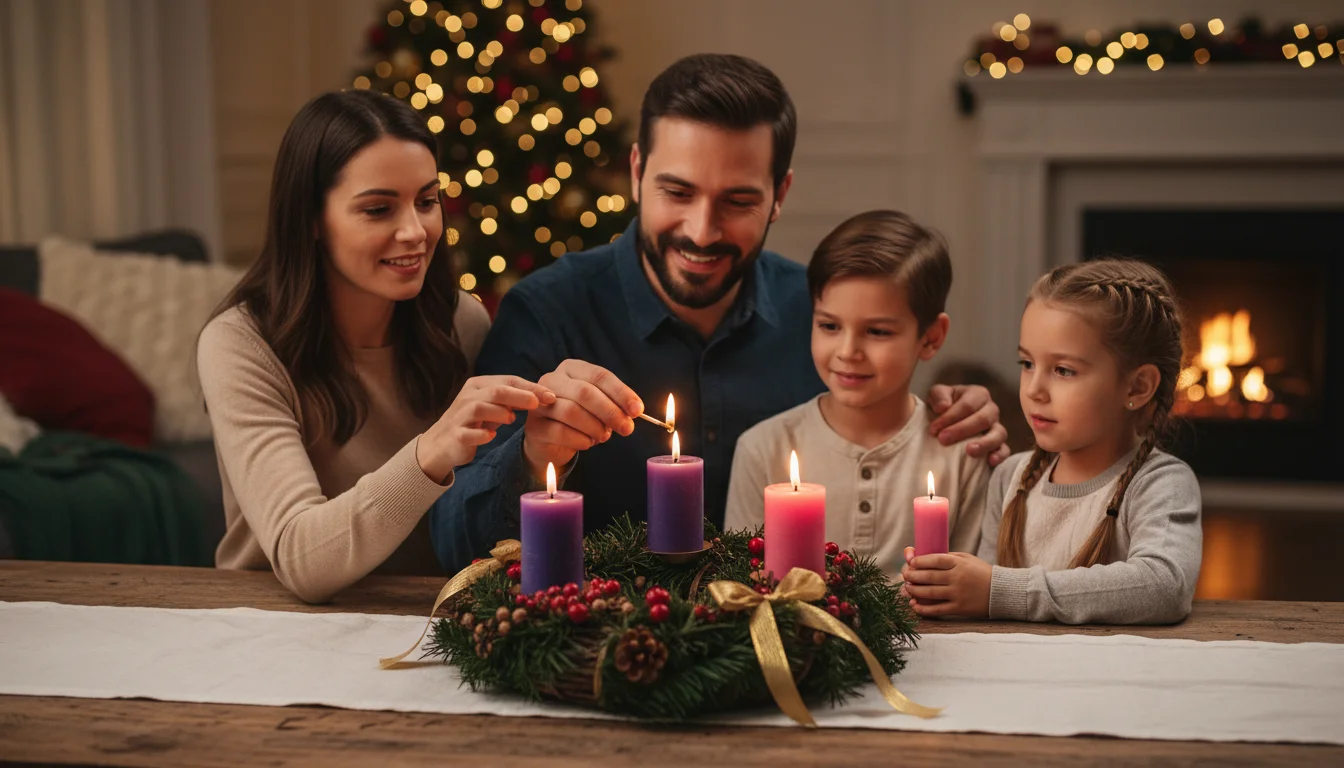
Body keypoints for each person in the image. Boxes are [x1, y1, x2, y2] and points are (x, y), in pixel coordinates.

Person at [430, 54, 1007, 573]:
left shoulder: (820, 314)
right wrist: (532, 458)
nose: (702, 232)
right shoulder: (547, 312)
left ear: (780, 194)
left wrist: (953, 418)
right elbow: (452, 545)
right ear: (635, 173)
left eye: (738, 201)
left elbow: (892, 433)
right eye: (677, 193)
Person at [198, 90, 552, 603]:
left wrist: (537, 442)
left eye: (427, 202)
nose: (415, 231)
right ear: (312, 219)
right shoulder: (241, 344)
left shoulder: (460, 321)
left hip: (424, 620)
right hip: (271, 625)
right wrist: (430, 453)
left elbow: (477, 518)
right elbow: (301, 560)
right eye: (379, 209)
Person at [900, 259, 1203, 624]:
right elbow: (986, 600)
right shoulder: (1010, 477)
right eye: (1027, 364)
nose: (1034, 390)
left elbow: (1164, 586)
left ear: (1137, 386)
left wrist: (1002, 591)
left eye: (1063, 370)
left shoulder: (1160, 483)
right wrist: (946, 590)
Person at [725, 210, 989, 580]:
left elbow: (969, 588)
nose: (848, 351)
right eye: (829, 325)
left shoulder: (963, 455)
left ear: (931, 337)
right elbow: (741, 588)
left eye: (877, 331)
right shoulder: (761, 448)